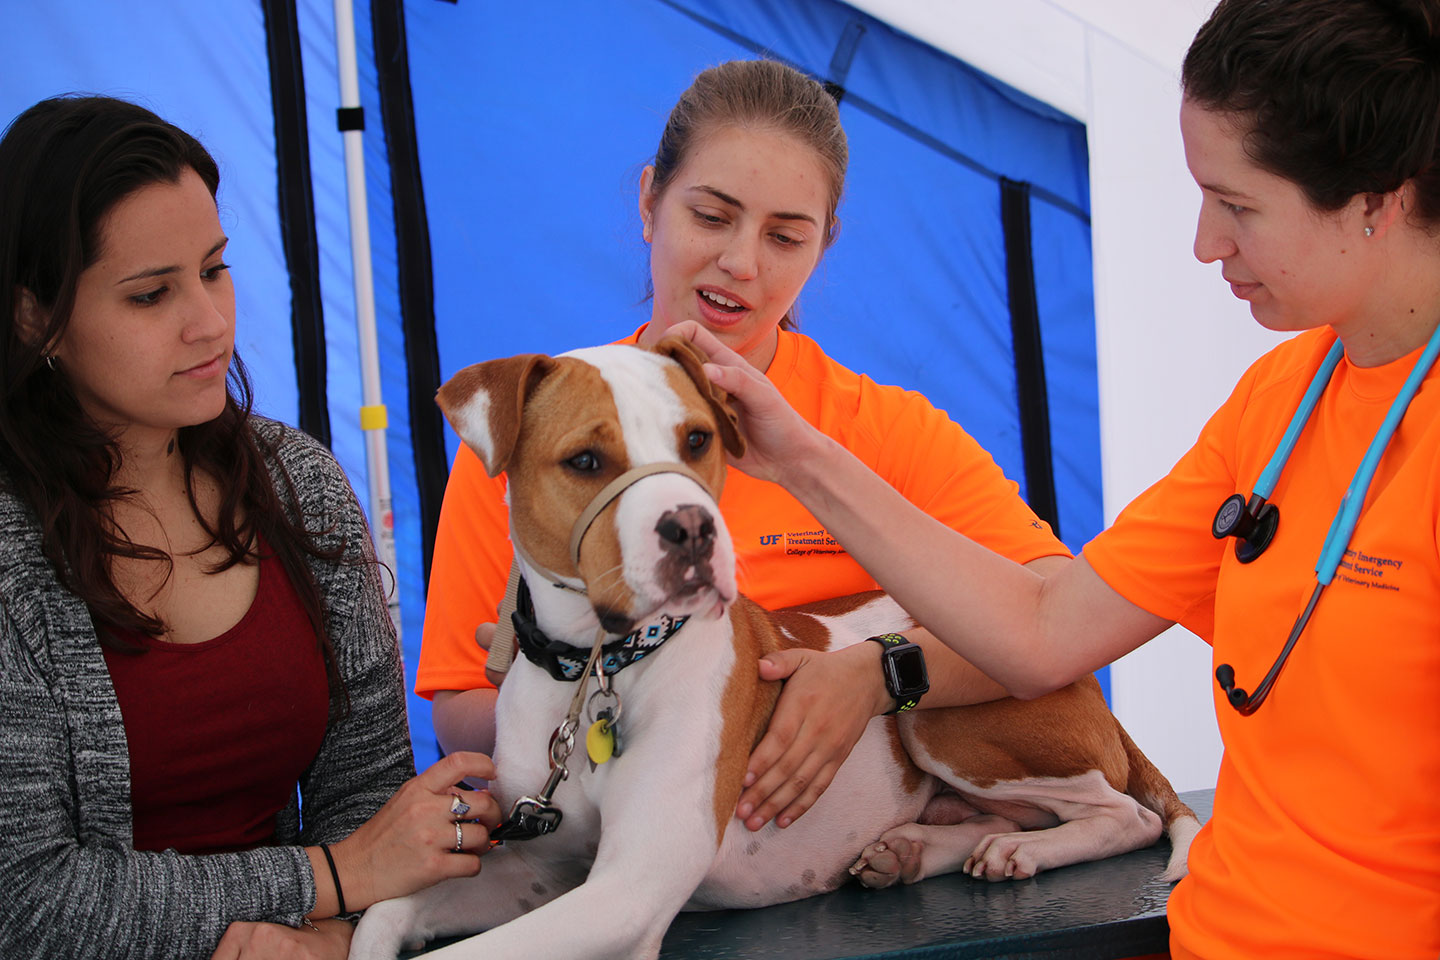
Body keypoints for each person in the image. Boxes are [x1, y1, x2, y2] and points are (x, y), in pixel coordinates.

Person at [665, 1, 1440, 956]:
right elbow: (1042, 631)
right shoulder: (1278, 403)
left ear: (1378, 200)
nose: (1205, 243)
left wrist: (873, 672)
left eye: (1239, 205)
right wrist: (795, 457)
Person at [418, 58, 1070, 832]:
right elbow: (461, 708)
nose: (742, 263)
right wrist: (552, 677)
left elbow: (1059, 621)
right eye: (713, 216)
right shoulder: (538, 427)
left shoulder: (887, 430)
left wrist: (880, 673)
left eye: (785, 236)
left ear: (823, 247)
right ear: (650, 201)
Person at [0, 95, 501, 960]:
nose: (210, 322)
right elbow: (29, 899)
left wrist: (336, 941)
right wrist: (328, 880)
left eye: (215, 268)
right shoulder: (11, 548)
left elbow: (369, 800)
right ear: (35, 320)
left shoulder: (297, 482)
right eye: (152, 294)